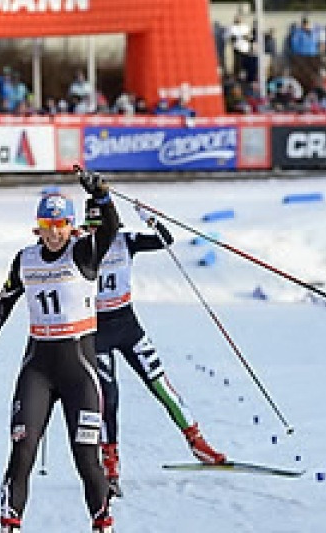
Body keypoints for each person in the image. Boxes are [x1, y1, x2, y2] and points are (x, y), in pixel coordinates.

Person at [0, 171, 118, 533]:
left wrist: (102, 196)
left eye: (61, 225)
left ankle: (103, 524)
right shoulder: (25, 260)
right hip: (39, 370)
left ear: (70, 225)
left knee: (87, 459)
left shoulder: (84, 251)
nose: (54, 233)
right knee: (22, 453)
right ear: (38, 227)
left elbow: (109, 229)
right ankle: (10, 524)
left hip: (79, 370)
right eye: (47, 225)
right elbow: (3, 304)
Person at [81, 198, 227, 499]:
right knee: (108, 398)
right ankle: (110, 467)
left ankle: (198, 444)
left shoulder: (126, 241)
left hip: (127, 325)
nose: (97, 233)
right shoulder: (80, 247)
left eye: (102, 227)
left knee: (161, 384)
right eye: (92, 228)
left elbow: (166, 239)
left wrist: (150, 217)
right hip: (96, 332)